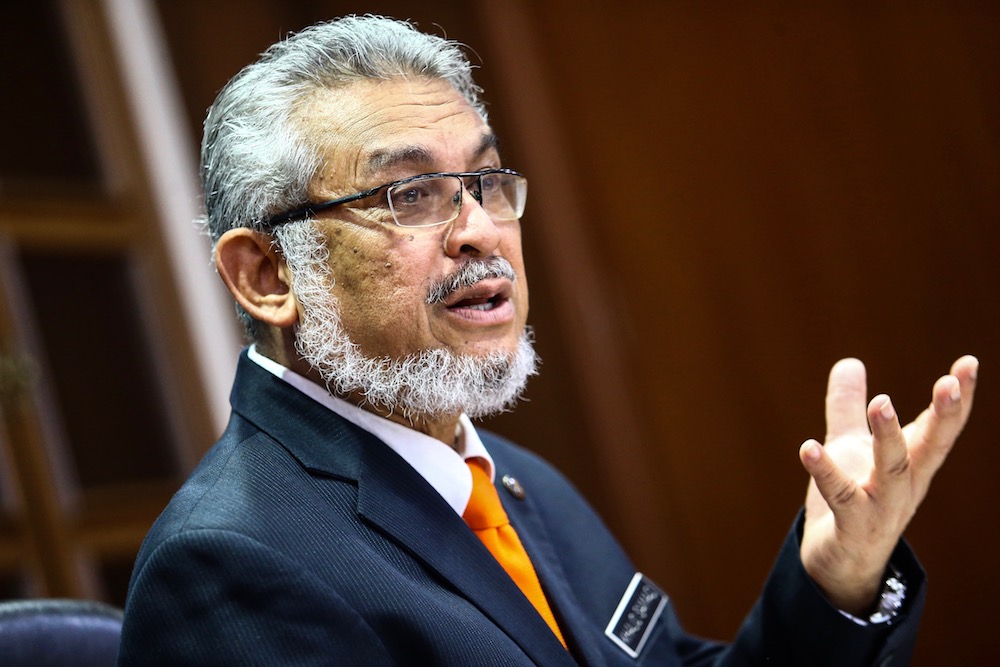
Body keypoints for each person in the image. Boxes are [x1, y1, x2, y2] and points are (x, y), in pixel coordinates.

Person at [117, 15, 978, 666]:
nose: (479, 229)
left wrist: (837, 578)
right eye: (410, 195)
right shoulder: (229, 568)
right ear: (268, 275)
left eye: (486, 181)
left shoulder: (514, 481)